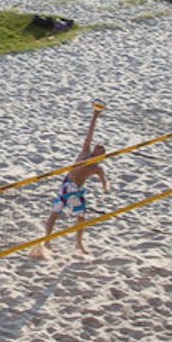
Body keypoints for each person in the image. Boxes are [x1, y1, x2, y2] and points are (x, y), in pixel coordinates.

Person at [43, 103, 109, 255]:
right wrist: (95, 116)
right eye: (96, 148)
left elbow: (103, 179)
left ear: (101, 155)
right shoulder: (85, 153)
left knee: (80, 218)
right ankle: (47, 241)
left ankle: (79, 244)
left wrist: (105, 186)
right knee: (55, 213)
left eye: (99, 151)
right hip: (66, 185)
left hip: (75, 190)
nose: (95, 150)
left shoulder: (96, 167)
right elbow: (89, 134)